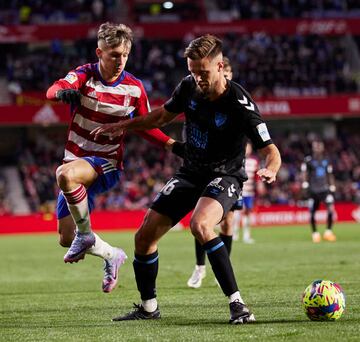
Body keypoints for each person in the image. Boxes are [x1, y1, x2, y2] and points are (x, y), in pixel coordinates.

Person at [91, 34, 281, 324]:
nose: (197, 78)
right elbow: (160, 118)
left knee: (200, 224)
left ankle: (238, 305)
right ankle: (149, 307)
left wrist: (272, 168)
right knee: (143, 237)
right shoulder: (189, 87)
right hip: (191, 171)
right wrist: (123, 126)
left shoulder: (240, 104)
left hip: (225, 175)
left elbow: (271, 150)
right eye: (192, 71)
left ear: (220, 67)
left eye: (203, 72)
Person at [46, 22, 178, 293]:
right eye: (113, 55)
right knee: (64, 237)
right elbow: (53, 89)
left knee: (64, 175)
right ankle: (111, 256)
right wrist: (62, 93)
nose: (119, 61)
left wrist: (171, 144)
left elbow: (144, 124)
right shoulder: (84, 75)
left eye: (124, 55)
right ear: (99, 52)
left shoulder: (134, 88)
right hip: (76, 158)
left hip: (106, 163)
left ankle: (86, 235)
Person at [187, 56, 239, 289]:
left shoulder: (237, 101)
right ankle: (199, 267)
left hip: (231, 170)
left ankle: (221, 267)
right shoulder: (201, 99)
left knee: (228, 223)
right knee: (201, 221)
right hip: (204, 168)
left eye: (228, 75)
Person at [301, 139, 336, 243]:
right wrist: (305, 184)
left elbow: (329, 174)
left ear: (322, 148)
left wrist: (332, 185)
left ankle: (328, 232)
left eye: (319, 146)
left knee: (331, 209)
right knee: (312, 212)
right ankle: (315, 233)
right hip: (313, 190)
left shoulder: (326, 160)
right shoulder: (308, 160)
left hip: (325, 189)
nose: (317, 148)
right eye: (315, 147)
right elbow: (304, 173)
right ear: (313, 148)